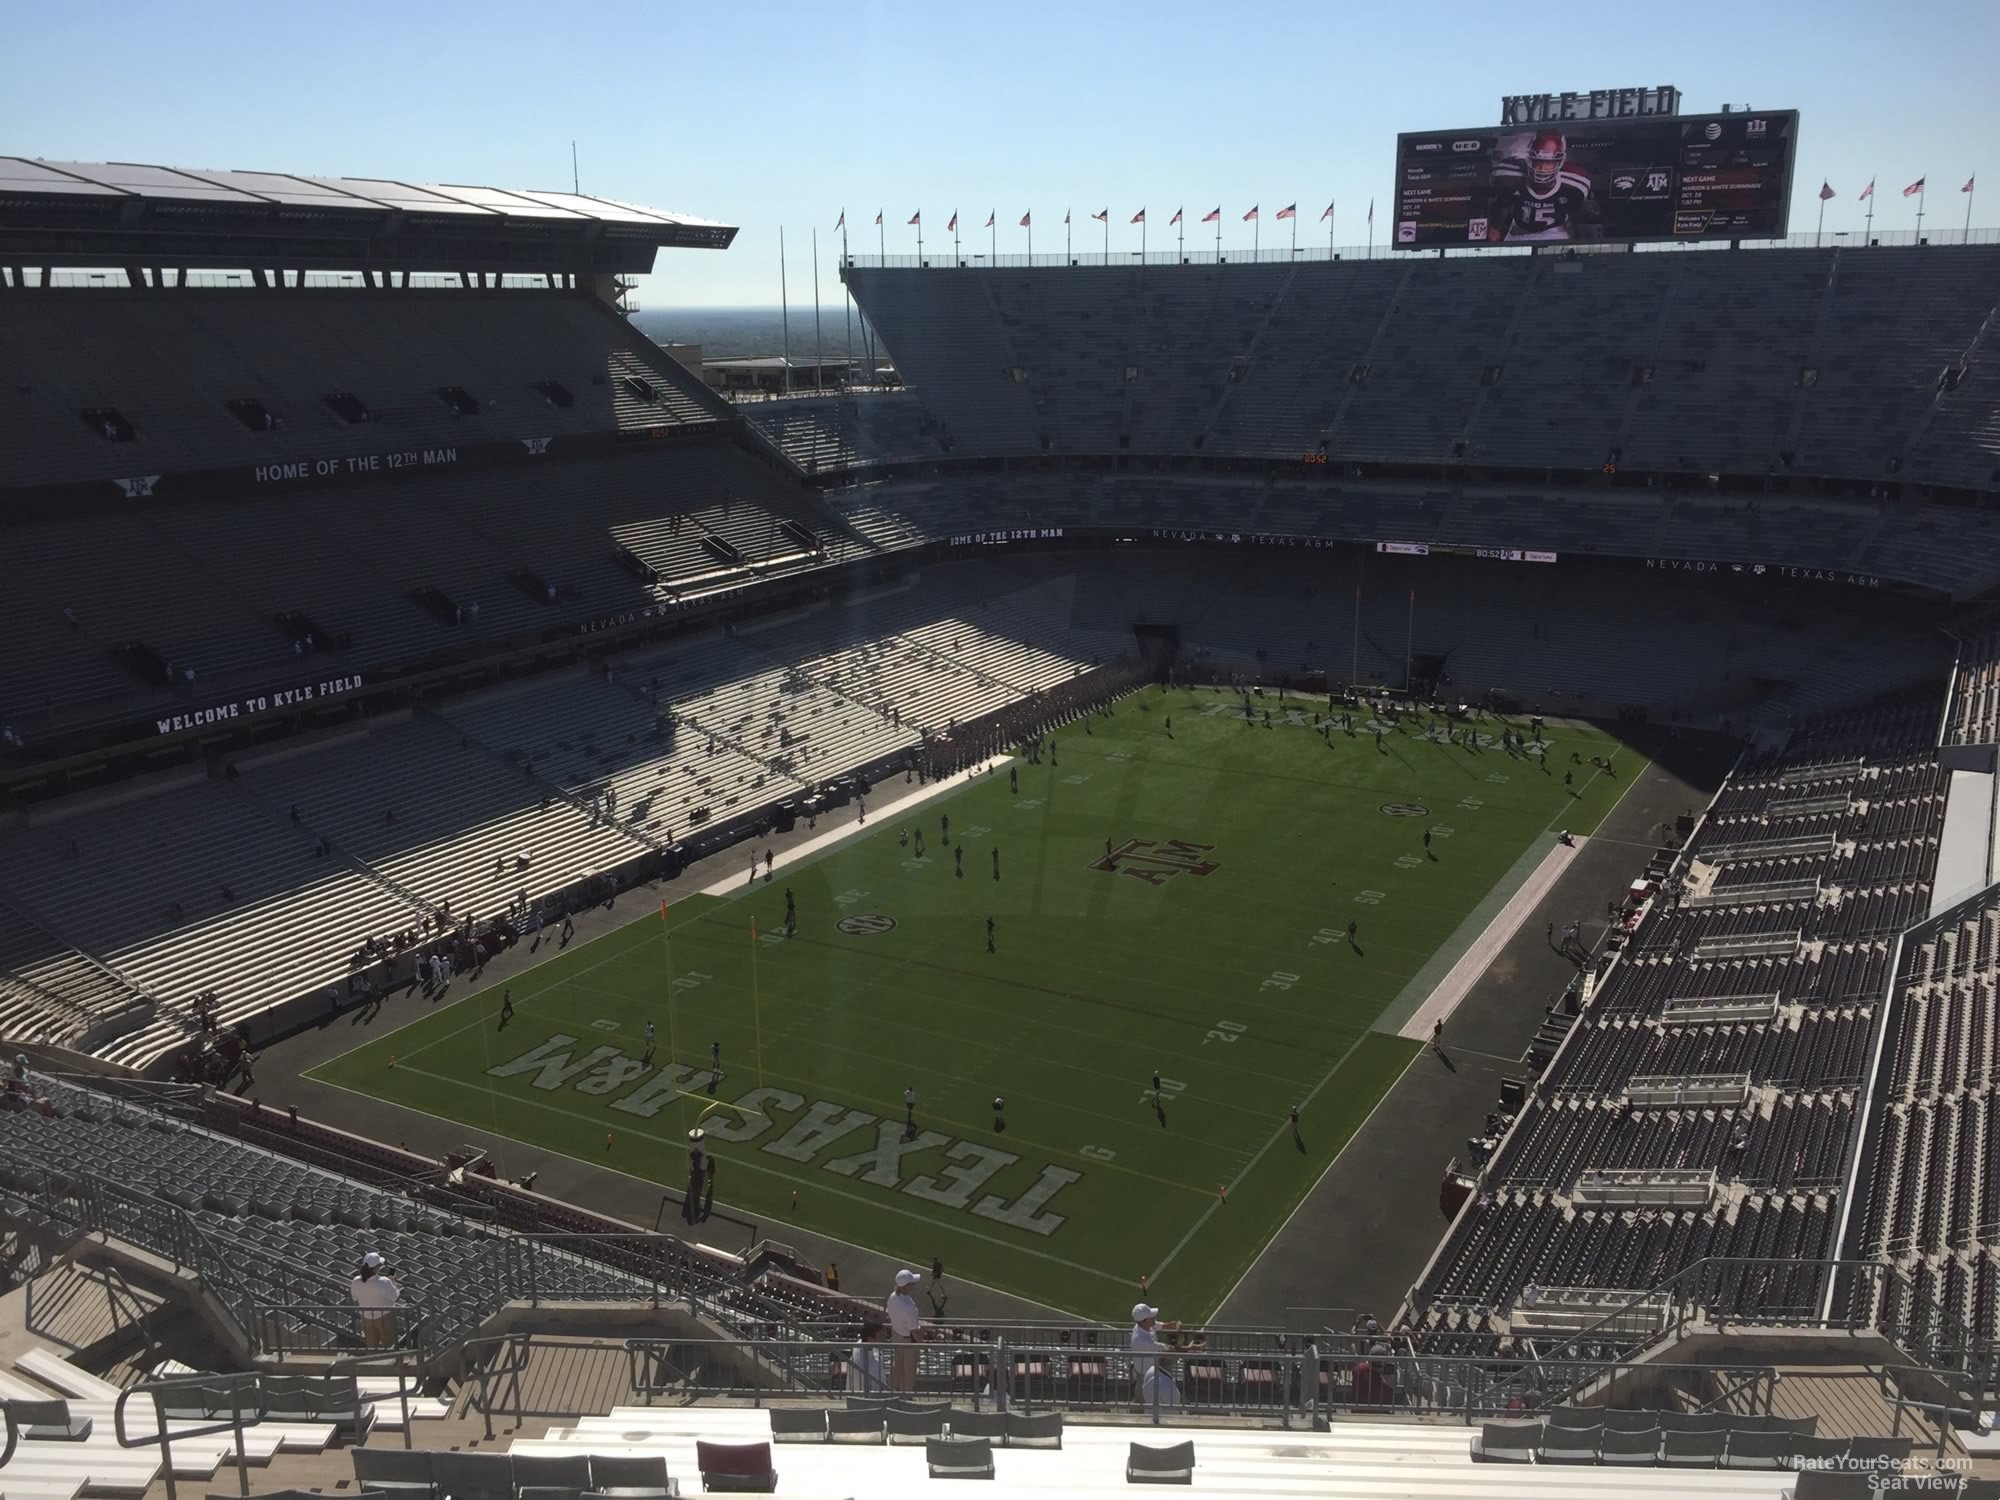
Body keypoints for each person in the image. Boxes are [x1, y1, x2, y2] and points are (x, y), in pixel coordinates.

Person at [1130, 1303, 1183, 1409]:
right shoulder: (1140, 1340)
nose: (1154, 1317)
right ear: (1144, 1320)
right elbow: (1166, 1348)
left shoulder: (1143, 1326)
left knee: (1146, 1403)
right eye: (1151, 1317)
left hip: (1151, 1373)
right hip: (1144, 1376)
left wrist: (1175, 1325)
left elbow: (1161, 1326)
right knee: (1141, 1406)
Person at [351, 1252, 401, 1349]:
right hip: (385, 1316)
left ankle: (372, 1363)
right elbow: (395, 1296)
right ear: (377, 1267)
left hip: (366, 1317)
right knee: (389, 1345)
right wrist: (393, 1282)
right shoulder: (384, 1282)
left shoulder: (355, 1281)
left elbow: (354, 1297)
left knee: (371, 1347)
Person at [886, 1269, 924, 1391]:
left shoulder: (892, 1297)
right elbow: (914, 1330)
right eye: (913, 1284)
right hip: (908, 1340)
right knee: (909, 1370)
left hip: (896, 1335)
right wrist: (923, 1344)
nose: (914, 1286)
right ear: (906, 1286)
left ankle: (893, 1391)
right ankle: (906, 1395)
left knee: (897, 1367)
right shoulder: (908, 1307)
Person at [846, 1319, 891, 1393]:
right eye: (881, 1335)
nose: (885, 1337)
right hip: (869, 1398)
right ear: (870, 1338)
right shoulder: (866, 1363)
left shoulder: (861, 1345)